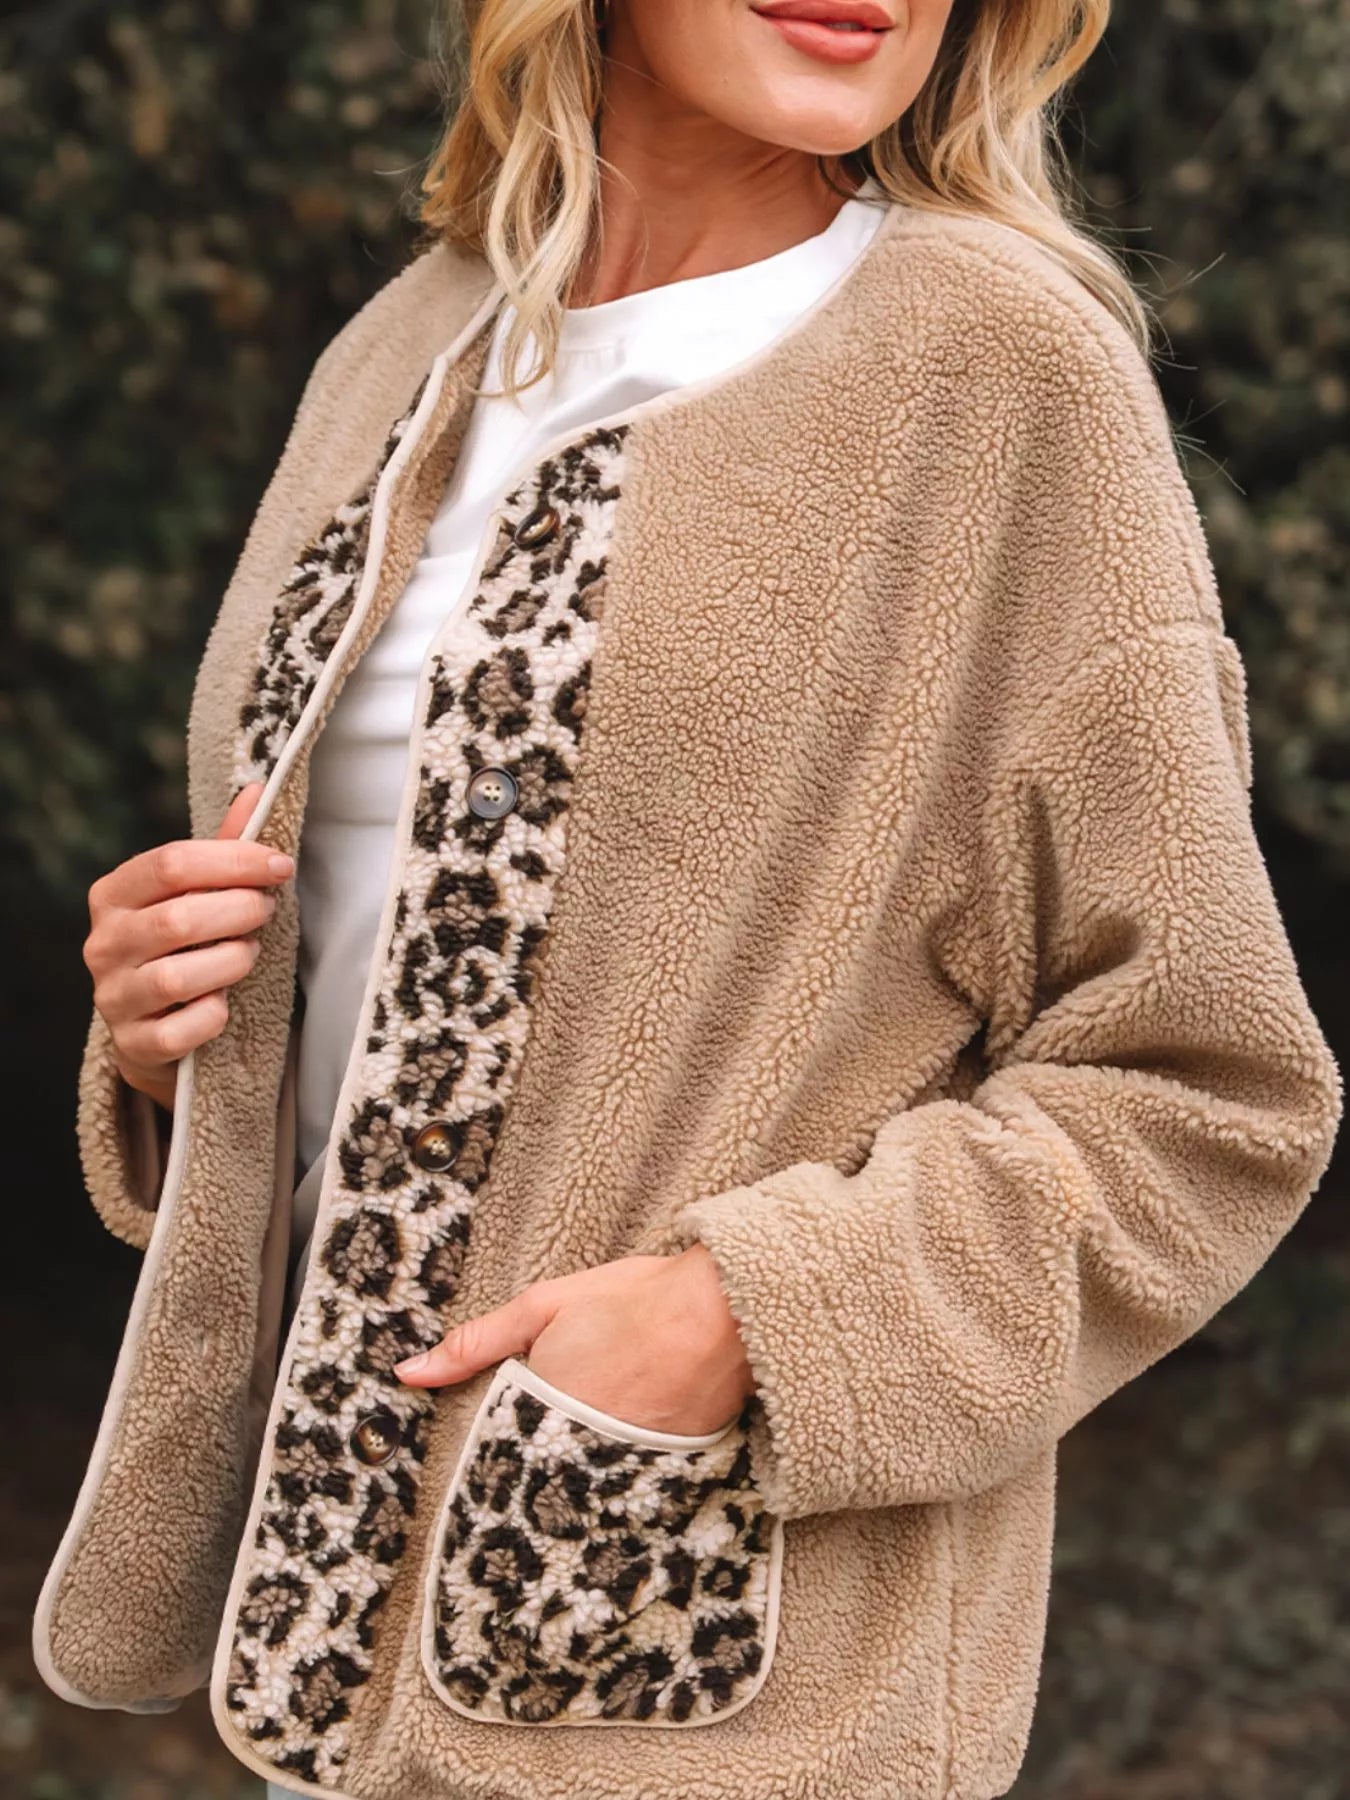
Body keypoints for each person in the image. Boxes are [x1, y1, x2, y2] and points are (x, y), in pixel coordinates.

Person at [36, 1, 1342, 1797]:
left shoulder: (997, 371)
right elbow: (391, 986)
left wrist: (751, 1318)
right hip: (328, 1646)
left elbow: (1206, 1090)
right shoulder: (406, 344)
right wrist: (171, 1033)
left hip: (721, 1685)